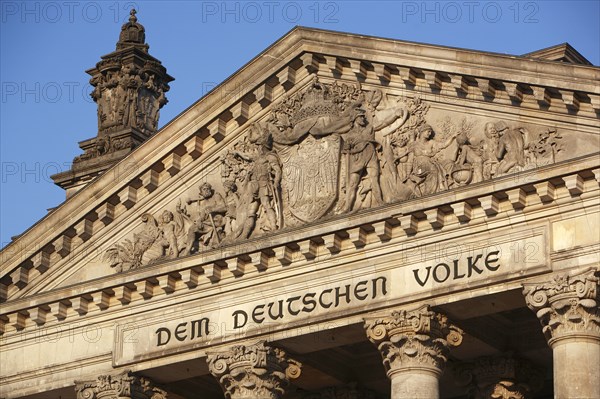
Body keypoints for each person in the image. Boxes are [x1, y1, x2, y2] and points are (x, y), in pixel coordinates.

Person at [340, 111, 384, 212]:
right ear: (355, 119)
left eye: (363, 117)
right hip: (357, 158)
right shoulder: (350, 134)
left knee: (374, 179)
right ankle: (348, 207)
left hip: (370, 153)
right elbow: (346, 148)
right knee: (352, 184)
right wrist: (347, 150)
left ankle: (380, 201)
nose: (363, 119)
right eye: (360, 117)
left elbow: (382, 124)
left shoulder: (369, 129)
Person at [180, 182, 227, 255]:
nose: (206, 190)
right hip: (207, 223)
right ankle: (188, 250)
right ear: (201, 193)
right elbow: (202, 217)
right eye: (204, 189)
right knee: (192, 229)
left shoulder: (216, 196)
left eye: (208, 189)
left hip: (217, 220)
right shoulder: (204, 203)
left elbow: (224, 207)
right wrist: (199, 221)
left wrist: (213, 209)